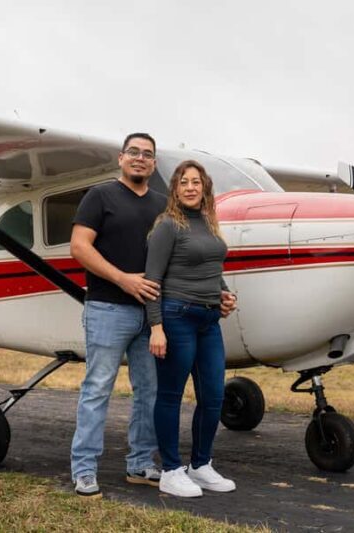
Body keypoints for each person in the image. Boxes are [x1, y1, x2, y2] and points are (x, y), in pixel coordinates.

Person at [69, 132, 167, 498]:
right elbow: (80, 246)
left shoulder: (162, 204)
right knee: (97, 389)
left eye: (148, 154)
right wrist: (123, 280)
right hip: (108, 307)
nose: (140, 158)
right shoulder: (100, 196)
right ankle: (84, 469)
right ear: (121, 158)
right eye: (134, 152)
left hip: (151, 315)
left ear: (154, 163)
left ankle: (141, 463)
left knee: (150, 392)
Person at [145, 159, 238, 498]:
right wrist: (156, 326)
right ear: (175, 188)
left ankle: (200, 465)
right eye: (183, 182)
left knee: (213, 395)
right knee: (170, 395)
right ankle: (171, 470)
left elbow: (213, 267)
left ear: (205, 187)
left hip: (209, 320)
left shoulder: (210, 224)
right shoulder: (168, 225)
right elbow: (152, 280)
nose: (190, 187)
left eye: (196, 182)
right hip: (176, 316)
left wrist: (224, 294)